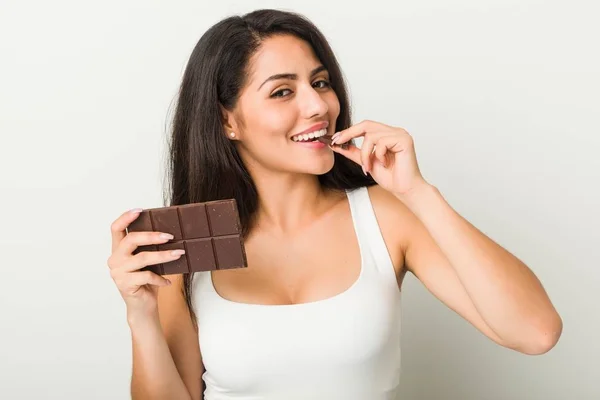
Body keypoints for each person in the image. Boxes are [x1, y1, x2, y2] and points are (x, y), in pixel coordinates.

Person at [106, 8, 562, 400]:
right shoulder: (185, 244)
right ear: (228, 121)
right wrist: (140, 314)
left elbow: (536, 332)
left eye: (320, 82)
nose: (319, 105)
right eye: (283, 91)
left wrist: (419, 193)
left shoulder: (386, 216)